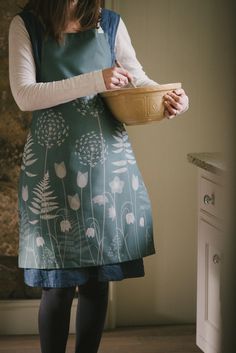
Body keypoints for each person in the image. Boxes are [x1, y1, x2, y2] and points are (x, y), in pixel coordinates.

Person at [8, 1, 189, 353]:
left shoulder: (109, 23)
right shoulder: (26, 24)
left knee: (96, 282)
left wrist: (175, 99)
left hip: (107, 167)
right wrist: (97, 78)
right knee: (57, 285)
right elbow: (24, 95)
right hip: (51, 167)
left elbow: (138, 79)